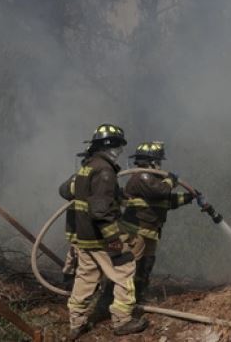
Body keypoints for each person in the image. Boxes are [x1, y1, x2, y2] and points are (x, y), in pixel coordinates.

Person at [59, 124, 148, 340]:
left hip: (84, 236)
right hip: (100, 237)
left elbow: (77, 193)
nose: (119, 151)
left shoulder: (87, 167)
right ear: (110, 146)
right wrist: (114, 240)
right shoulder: (105, 170)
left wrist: (118, 197)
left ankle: (76, 323)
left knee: (86, 278)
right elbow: (100, 210)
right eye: (118, 146)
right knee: (126, 270)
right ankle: (122, 320)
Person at [120, 141, 210, 302]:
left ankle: (139, 296)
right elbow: (160, 192)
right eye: (159, 161)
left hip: (150, 231)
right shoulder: (141, 177)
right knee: (129, 267)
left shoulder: (153, 180)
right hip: (136, 232)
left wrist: (190, 196)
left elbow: (166, 202)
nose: (160, 165)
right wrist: (171, 180)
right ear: (152, 161)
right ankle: (117, 303)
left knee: (145, 265)